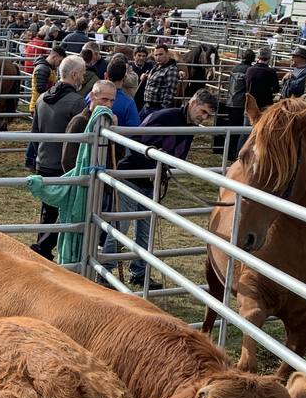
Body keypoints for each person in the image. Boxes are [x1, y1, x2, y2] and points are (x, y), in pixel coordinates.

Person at [103, 89, 219, 289]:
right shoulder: (165, 117)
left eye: (208, 115)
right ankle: (104, 270)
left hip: (152, 183)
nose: (204, 118)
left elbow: (176, 156)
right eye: (203, 111)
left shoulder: (189, 128)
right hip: (132, 176)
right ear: (193, 102)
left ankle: (138, 272)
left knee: (145, 231)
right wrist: (151, 165)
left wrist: (164, 169)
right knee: (121, 226)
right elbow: (136, 141)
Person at [25, 54, 88, 260]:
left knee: (48, 210)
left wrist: (39, 154)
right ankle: (44, 249)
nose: (84, 78)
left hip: (44, 160)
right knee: (63, 211)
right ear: (75, 74)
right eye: (83, 73)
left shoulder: (43, 98)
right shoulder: (77, 103)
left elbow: (35, 134)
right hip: (65, 165)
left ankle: (42, 248)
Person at [222, 49, 255, 159]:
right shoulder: (249, 70)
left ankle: (227, 151)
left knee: (231, 128)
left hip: (231, 100)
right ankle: (234, 153)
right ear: (252, 59)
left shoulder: (235, 68)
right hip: (240, 103)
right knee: (239, 129)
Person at [136, 42, 180, 117]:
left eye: (161, 54)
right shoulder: (156, 66)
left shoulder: (171, 70)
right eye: (156, 55)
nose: (158, 57)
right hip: (147, 106)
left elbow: (169, 93)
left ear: (167, 54)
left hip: (157, 108)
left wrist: (161, 113)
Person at [244, 46, 281, 110]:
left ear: (258, 57)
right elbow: (276, 89)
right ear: (269, 58)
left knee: (249, 119)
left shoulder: (249, 70)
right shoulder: (271, 72)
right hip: (265, 104)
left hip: (251, 104)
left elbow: (245, 85)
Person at [30, 45, 63, 114]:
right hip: (39, 106)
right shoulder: (43, 69)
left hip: (42, 105)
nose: (59, 64)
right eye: (60, 61)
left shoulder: (49, 68)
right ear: (54, 57)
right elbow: (41, 89)